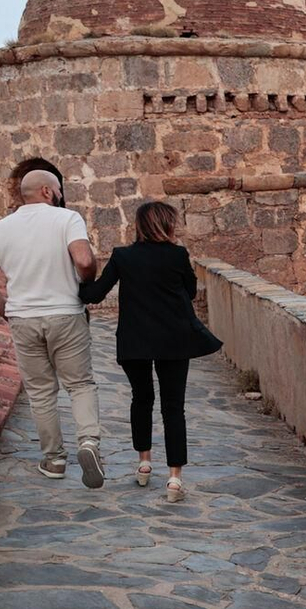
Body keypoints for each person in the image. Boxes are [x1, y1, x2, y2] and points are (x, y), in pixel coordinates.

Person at [79, 200, 221, 503]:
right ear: (166, 225)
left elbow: (94, 294)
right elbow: (192, 292)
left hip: (135, 341)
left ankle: (144, 463)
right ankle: (174, 479)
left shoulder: (122, 257)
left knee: (141, 399)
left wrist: (76, 276)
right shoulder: (178, 255)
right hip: (174, 340)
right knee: (173, 407)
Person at [0, 169, 105, 486]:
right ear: (48, 192)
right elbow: (84, 261)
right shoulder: (66, 219)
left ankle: (54, 459)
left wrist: (9, 312)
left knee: (41, 392)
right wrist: (87, 281)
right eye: (58, 189)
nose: (61, 194)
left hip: (23, 318)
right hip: (65, 314)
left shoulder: (0, 229)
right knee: (80, 385)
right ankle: (88, 443)